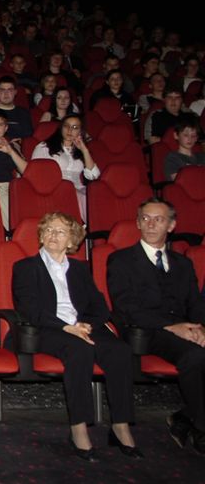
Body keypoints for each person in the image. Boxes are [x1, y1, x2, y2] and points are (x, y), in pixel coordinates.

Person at [13, 212, 140, 462]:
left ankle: (121, 425)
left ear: (72, 240)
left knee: (120, 351)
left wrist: (85, 326)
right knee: (80, 350)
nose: (53, 235)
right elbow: (29, 309)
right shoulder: (25, 267)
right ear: (41, 236)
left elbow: (100, 307)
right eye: (48, 230)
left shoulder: (80, 269)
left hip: (83, 327)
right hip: (47, 329)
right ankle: (79, 428)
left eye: (60, 231)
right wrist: (67, 327)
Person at [107, 198, 205, 455]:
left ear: (171, 226)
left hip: (183, 329)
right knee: (195, 356)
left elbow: (195, 303)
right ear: (138, 223)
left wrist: (200, 328)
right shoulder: (121, 260)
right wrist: (173, 326)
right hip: (144, 331)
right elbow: (126, 307)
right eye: (145, 218)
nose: (150, 224)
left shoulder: (183, 263)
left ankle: (185, 417)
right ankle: (201, 428)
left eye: (158, 219)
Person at [32, 114, 100, 221]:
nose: (69, 130)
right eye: (66, 126)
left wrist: (84, 150)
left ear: (80, 131)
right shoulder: (44, 147)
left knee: (94, 195)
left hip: (78, 188)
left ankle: (94, 227)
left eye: (75, 127)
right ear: (61, 128)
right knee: (78, 195)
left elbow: (93, 175)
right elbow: (33, 172)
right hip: (54, 188)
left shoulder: (80, 150)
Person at [0, 76, 33, 143]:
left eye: (10, 90)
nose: (6, 93)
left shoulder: (23, 113)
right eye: (2, 90)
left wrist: (20, 141)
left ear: (15, 92)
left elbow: (28, 137)